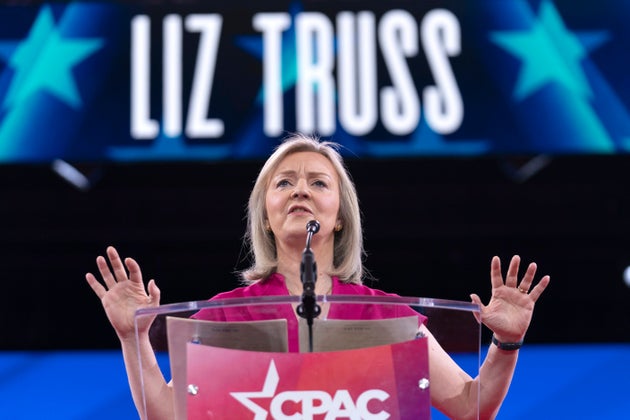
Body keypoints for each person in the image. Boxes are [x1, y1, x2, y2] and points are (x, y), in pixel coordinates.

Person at [86, 133, 550, 419]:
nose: (300, 190)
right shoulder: (227, 311)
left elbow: (471, 406)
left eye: (318, 182)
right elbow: (168, 416)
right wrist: (133, 337)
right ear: (265, 217)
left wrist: (505, 345)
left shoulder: (381, 312)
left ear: (340, 217)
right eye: (284, 182)